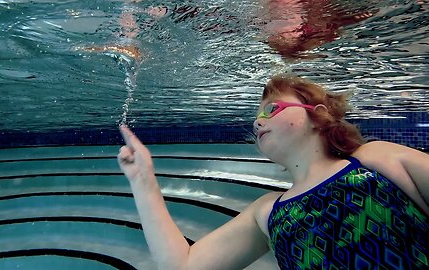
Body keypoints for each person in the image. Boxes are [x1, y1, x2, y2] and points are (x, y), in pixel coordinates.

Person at [117, 74, 429, 269]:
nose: (257, 121)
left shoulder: (375, 159)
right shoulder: (267, 212)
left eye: (271, 109)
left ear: (318, 116)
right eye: (256, 116)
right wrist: (143, 180)